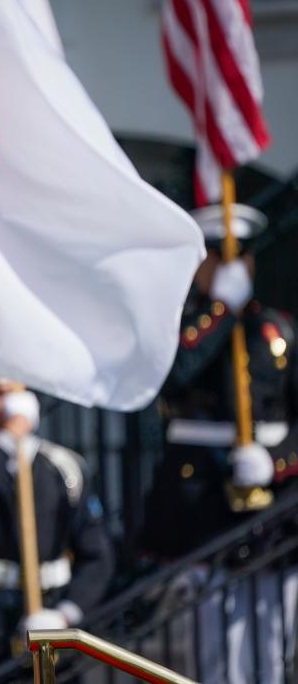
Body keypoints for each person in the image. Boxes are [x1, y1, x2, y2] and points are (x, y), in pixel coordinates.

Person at [139, 204, 298, 683]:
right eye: (217, 256)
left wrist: (275, 462)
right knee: (216, 656)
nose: (228, 267)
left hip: (271, 516)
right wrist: (221, 310)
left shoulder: (278, 330)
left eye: (238, 256)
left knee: (272, 648)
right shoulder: (183, 328)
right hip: (203, 514)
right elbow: (178, 373)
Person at [0, 361, 114, 679]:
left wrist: (66, 615)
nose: (7, 404)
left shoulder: (61, 466)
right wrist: (9, 441)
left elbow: (97, 554)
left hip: (49, 608)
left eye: (15, 393)